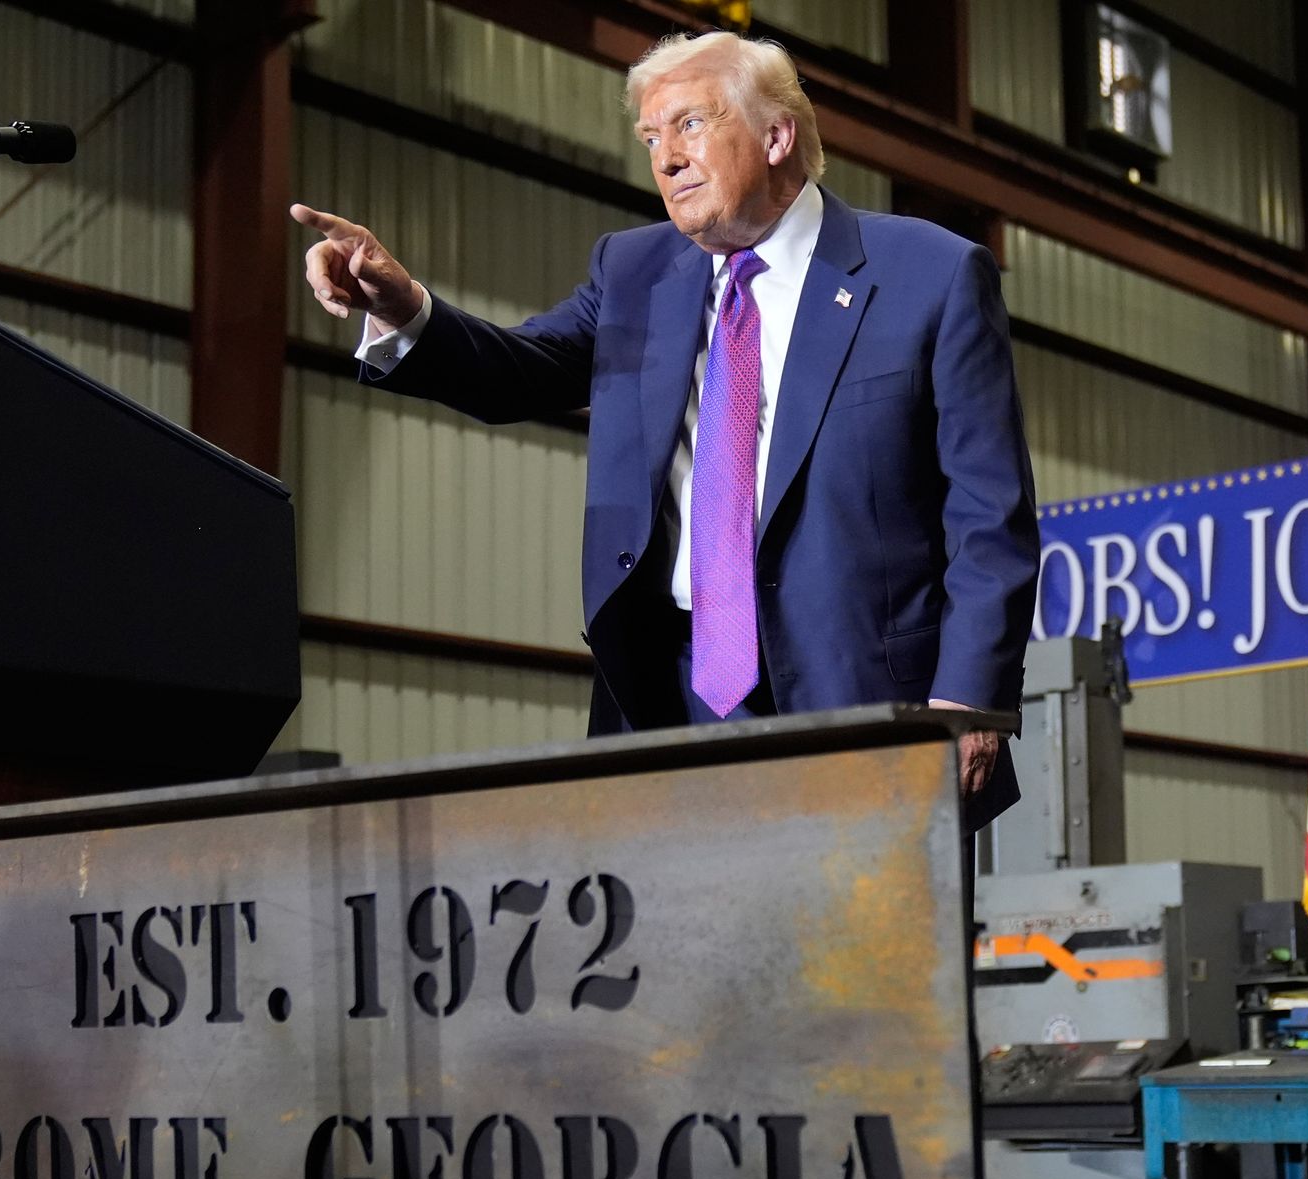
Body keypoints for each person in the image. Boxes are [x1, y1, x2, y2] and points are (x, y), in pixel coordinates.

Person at [292, 30, 1038, 824]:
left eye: (689, 124)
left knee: (859, 950)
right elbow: (519, 370)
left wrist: (970, 701)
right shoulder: (634, 273)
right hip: (667, 696)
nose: (665, 157)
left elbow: (989, 516)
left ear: (777, 135)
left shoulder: (929, 273)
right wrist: (403, 307)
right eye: (651, 136)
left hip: (864, 702)